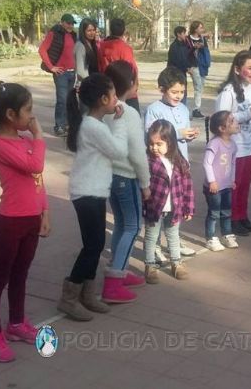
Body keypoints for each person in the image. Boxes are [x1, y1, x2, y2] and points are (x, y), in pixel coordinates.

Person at [0, 83, 50, 363]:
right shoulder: (1, 145)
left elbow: (38, 180)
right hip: (9, 223)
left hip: (31, 220)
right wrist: (40, 136)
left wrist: (45, 212)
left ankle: (16, 323)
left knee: (21, 274)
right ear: (10, 114)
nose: (32, 117)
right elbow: (36, 166)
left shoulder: (24, 140)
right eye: (28, 110)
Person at [58, 74, 127, 321]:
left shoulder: (92, 124)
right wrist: (120, 124)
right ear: (103, 99)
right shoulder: (94, 127)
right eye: (114, 95)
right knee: (93, 245)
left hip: (93, 191)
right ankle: (69, 297)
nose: (117, 99)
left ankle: (87, 294)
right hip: (86, 192)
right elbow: (119, 151)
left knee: (95, 244)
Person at [102, 61, 151, 303]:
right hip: (126, 176)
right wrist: (146, 182)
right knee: (133, 227)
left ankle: (118, 268)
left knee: (122, 223)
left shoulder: (104, 109)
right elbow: (137, 153)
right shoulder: (128, 113)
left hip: (110, 176)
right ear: (131, 84)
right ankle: (113, 283)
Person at [144, 67, 199, 257]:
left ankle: (174, 240)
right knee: (159, 207)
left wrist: (188, 135)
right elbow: (149, 135)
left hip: (179, 163)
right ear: (162, 89)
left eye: (182, 92)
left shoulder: (184, 108)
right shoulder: (153, 109)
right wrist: (178, 133)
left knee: (176, 203)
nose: (178, 96)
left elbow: (182, 134)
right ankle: (156, 245)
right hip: (160, 169)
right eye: (174, 92)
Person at [214, 51, 251, 236]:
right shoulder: (229, 92)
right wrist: (249, 114)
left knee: (245, 183)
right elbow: (222, 119)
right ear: (237, 69)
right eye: (249, 68)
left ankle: (242, 215)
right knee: (233, 184)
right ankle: (230, 219)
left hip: (250, 145)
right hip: (233, 146)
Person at [143, 119, 195, 283]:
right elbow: (142, 186)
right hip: (154, 208)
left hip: (175, 208)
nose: (154, 148)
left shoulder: (179, 162)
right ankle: (150, 265)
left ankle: (176, 263)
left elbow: (187, 186)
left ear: (170, 142)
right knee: (151, 237)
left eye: (159, 144)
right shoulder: (148, 162)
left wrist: (188, 208)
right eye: (151, 144)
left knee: (173, 236)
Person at [202, 110, 239, 251]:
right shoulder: (214, 144)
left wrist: (232, 180)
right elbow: (207, 163)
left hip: (226, 186)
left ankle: (227, 234)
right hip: (214, 188)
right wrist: (212, 181)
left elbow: (233, 163)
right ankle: (211, 238)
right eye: (232, 121)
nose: (236, 123)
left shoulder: (233, 145)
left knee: (226, 211)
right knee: (214, 212)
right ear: (222, 129)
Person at [38, 13, 77, 136]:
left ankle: (66, 124)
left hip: (72, 72)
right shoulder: (54, 34)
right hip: (61, 73)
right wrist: (51, 67)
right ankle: (59, 126)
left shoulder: (73, 35)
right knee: (62, 100)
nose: (70, 26)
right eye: (68, 23)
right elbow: (42, 49)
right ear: (62, 22)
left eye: (72, 23)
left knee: (69, 100)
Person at [98, 18, 141, 112]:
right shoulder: (124, 47)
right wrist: (135, 86)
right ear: (124, 31)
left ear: (110, 30)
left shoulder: (100, 46)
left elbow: (100, 68)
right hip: (125, 91)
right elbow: (132, 69)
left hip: (109, 89)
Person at [166, 26, 198, 112]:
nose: (185, 35)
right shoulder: (174, 46)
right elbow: (178, 60)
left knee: (183, 92)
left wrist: (194, 48)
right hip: (174, 74)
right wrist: (187, 69)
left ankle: (182, 111)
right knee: (175, 92)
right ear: (178, 34)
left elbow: (187, 57)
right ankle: (174, 110)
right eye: (183, 33)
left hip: (182, 73)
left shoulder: (184, 44)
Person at [188, 20, 210, 118]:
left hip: (202, 65)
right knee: (198, 86)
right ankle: (196, 109)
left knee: (200, 88)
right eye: (200, 27)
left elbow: (206, 51)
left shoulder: (202, 38)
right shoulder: (188, 39)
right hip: (193, 65)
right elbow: (186, 52)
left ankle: (197, 109)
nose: (202, 29)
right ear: (195, 28)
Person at [74, 18, 99, 82]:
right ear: (83, 31)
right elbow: (81, 71)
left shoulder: (92, 45)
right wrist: (90, 83)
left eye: (93, 30)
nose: (92, 33)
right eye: (89, 30)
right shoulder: (80, 46)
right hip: (85, 83)